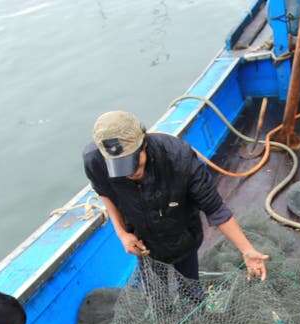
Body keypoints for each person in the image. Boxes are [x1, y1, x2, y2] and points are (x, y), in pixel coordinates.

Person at [83, 110, 269, 287]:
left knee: (190, 287)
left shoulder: (179, 157)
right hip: (144, 244)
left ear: (144, 144)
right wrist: (122, 234)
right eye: (121, 167)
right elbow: (105, 193)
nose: (130, 173)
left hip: (182, 236)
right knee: (155, 295)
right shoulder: (95, 161)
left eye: (134, 163)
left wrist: (247, 250)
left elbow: (216, 210)